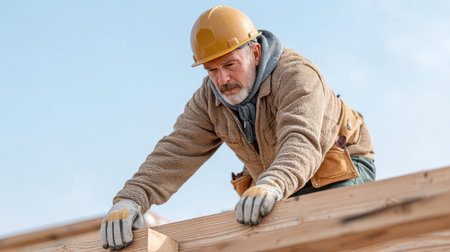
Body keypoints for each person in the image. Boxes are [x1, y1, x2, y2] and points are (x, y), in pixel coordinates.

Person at [100, 5, 375, 250]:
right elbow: (176, 151)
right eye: (211, 70)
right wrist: (130, 200)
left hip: (335, 168)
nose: (222, 79)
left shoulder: (296, 75)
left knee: (328, 238)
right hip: (275, 183)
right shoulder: (209, 99)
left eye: (230, 65)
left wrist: (272, 184)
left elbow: (301, 139)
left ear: (255, 53)